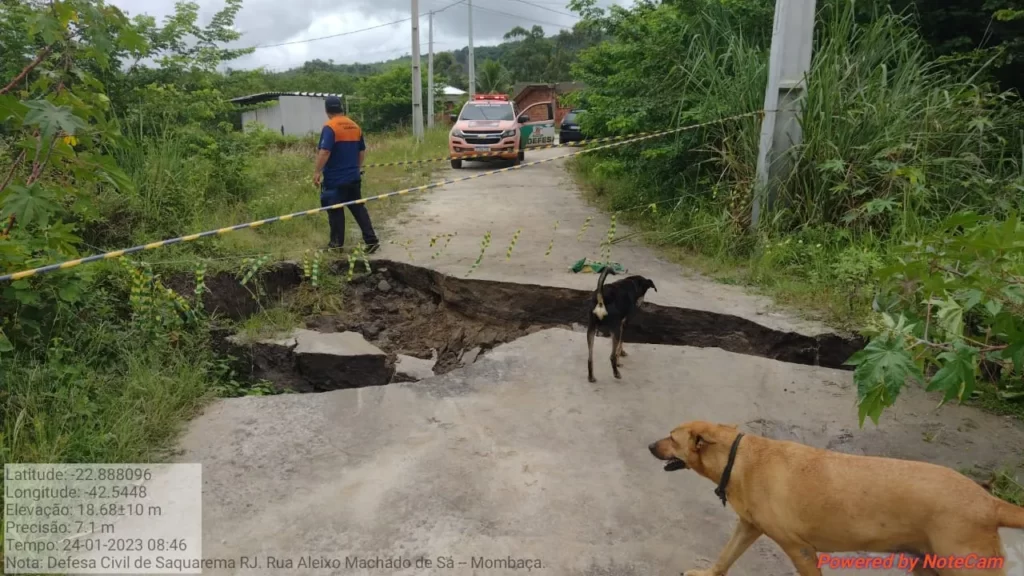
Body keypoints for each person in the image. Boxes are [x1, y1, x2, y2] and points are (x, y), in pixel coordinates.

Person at [313, 96, 380, 253]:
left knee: (335, 211)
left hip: (335, 179)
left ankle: (336, 246)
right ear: (341, 108)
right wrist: (357, 168)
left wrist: (317, 171)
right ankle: (371, 241)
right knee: (358, 209)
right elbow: (361, 150)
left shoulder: (330, 127)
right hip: (353, 177)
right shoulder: (355, 126)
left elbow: (325, 151)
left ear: (327, 110)